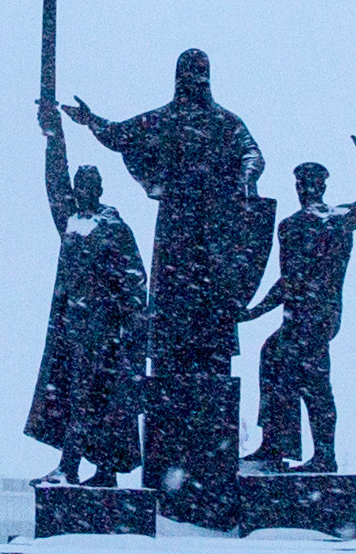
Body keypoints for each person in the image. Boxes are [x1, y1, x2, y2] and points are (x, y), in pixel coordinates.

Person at [64, 49, 268, 381]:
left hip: (211, 229)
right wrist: (90, 120)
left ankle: (203, 364)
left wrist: (247, 177)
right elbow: (120, 136)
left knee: (209, 312)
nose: (193, 80)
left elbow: (252, 154)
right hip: (180, 227)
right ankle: (176, 365)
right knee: (174, 314)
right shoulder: (168, 119)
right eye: (189, 74)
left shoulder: (224, 122)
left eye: (197, 74)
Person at [239, 122, 356, 474]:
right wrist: (255, 310)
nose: (303, 189)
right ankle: (278, 446)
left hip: (315, 317)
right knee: (279, 362)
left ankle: (317, 454)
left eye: (307, 184)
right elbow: (288, 280)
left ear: (319, 186)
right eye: (300, 184)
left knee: (313, 381)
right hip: (305, 317)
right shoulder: (298, 224)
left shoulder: (332, 220)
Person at [24, 96, 148, 486]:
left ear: (99, 188)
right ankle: (88, 468)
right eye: (79, 185)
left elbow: (135, 278)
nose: (82, 189)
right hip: (74, 327)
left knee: (93, 398)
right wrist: (53, 135)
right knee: (80, 397)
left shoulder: (112, 226)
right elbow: (54, 181)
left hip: (103, 330)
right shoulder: (72, 222)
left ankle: (85, 468)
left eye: (89, 184)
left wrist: (129, 324)